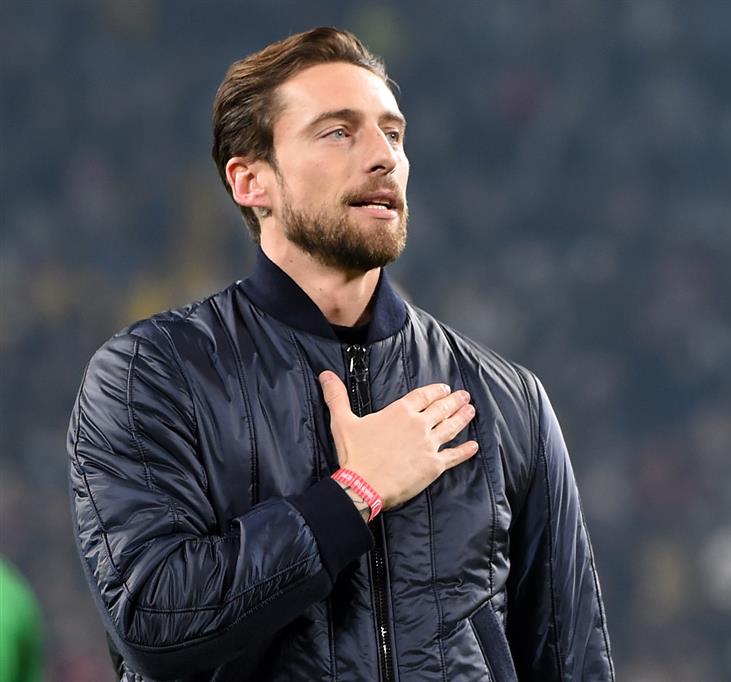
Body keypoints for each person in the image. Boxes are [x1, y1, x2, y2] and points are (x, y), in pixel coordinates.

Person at [67, 27, 613, 681]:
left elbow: (573, 659)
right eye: (338, 132)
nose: (384, 157)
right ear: (251, 181)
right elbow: (153, 621)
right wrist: (355, 494)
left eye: (393, 134)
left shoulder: (506, 396)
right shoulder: (149, 375)